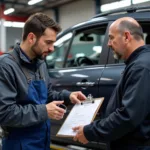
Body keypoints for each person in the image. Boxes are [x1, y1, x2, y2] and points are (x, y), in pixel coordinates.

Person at [0, 13, 86, 150]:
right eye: (48, 42)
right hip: (19, 144)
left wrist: (67, 96)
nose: (52, 48)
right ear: (31, 38)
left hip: (42, 140)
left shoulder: (40, 63)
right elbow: (5, 113)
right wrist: (44, 111)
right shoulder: (6, 66)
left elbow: (47, 95)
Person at [73, 17, 150, 150]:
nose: (108, 44)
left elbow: (128, 116)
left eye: (111, 38)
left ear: (126, 37)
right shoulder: (138, 63)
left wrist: (90, 131)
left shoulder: (141, 67)